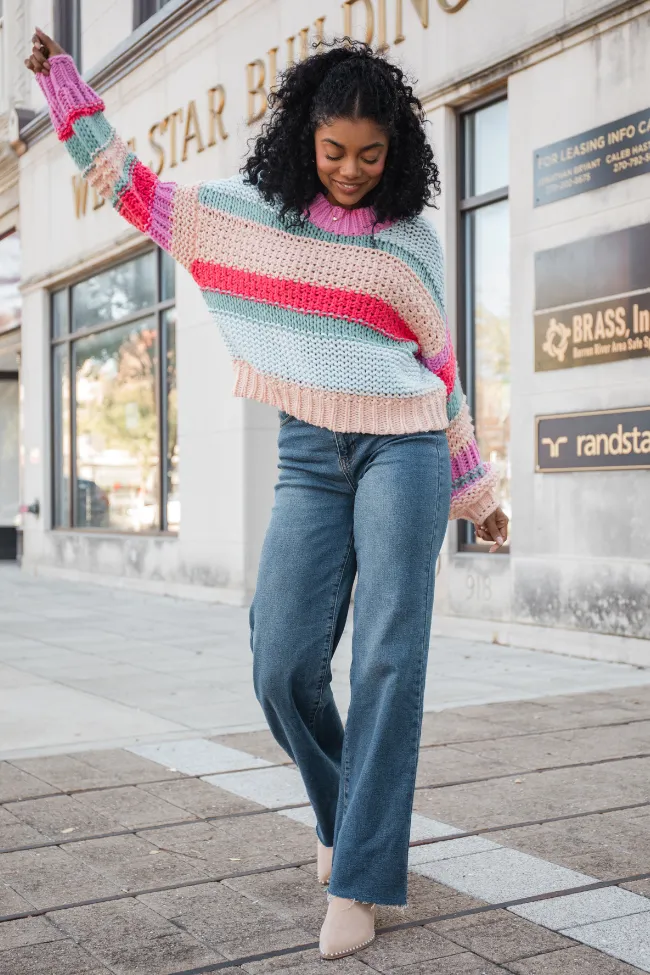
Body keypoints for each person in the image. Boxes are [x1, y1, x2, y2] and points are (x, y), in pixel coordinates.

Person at [26, 28, 509, 960]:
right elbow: (133, 187)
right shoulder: (248, 217)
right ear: (305, 137)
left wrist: (475, 488)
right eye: (335, 151)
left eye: (372, 155)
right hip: (306, 451)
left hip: (404, 447)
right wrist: (62, 83)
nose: (352, 171)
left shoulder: (410, 244)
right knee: (281, 661)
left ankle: (361, 877)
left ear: (395, 152)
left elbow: (440, 372)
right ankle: (344, 814)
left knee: (387, 658)